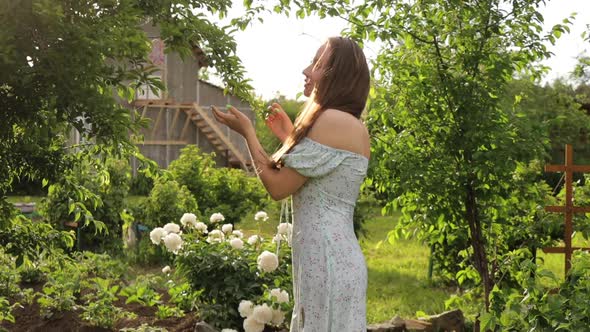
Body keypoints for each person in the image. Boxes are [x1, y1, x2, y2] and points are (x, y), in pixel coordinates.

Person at [212, 36, 370, 331]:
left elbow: (278, 186)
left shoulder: (333, 120)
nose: (306, 70)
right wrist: (289, 138)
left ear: (337, 76)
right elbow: (319, 179)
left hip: (327, 262)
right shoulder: (346, 123)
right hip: (329, 260)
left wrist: (247, 133)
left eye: (318, 64)